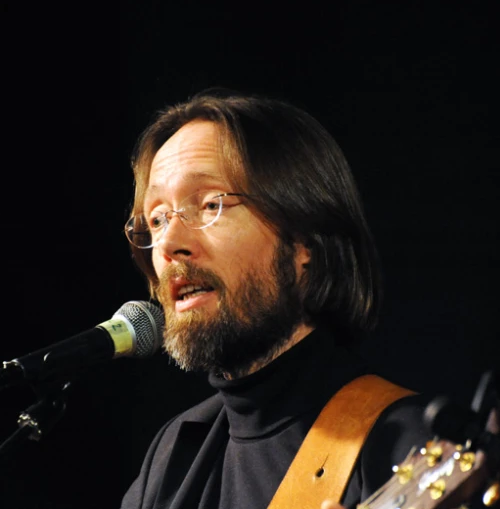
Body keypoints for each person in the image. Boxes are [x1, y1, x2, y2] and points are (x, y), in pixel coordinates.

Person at [119, 89, 431, 509]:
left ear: (305, 240)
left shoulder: (403, 446)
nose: (169, 242)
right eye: (157, 219)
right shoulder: (175, 453)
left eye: (211, 204)